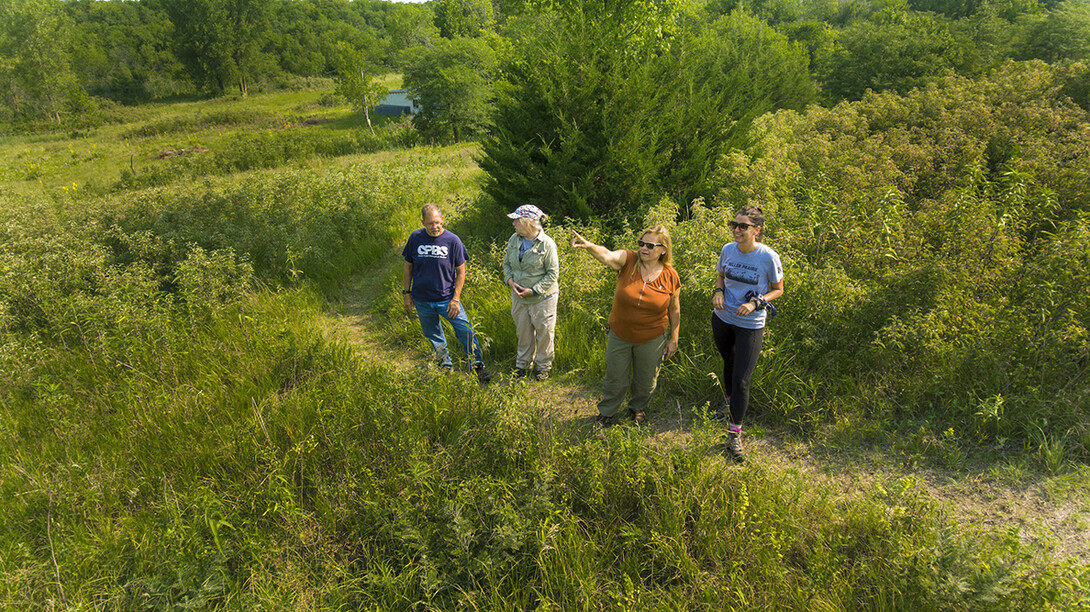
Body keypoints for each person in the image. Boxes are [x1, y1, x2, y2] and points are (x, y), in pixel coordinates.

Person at [571, 225, 681, 425]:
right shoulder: (629, 260)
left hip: (652, 338)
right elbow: (607, 255)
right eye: (641, 243)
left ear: (663, 250)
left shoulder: (670, 275)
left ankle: (637, 408)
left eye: (650, 245)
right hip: (620, 334)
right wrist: (589, 246)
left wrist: (674, 338)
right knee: (615, 377)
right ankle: (607, 412)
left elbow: (674, 309)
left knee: (646, 380)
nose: (644, 248)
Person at [711, 206, 784, 462]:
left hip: (750, 324)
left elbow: (778, 289)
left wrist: (756, 303)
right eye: (734, 224)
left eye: (743, 226)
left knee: (742, 379)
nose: (737, 230)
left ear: (757, 230)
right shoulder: (727, 249)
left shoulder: (768, 257)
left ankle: (734, 434)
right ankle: (727, 403)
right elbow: (721, 274)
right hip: (722, 318)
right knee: (728, 363)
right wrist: (718, 291)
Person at [402, 203, 492, 383]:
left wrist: (456, 299)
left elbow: (461, 272)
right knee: (433, 334)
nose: (435, 227)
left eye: (437, 222)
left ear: (442, 219)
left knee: (465, 331)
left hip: (447, 300)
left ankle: (477, 366)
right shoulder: (415, 238)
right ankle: (445, 364)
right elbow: (408, 266)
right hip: (422, 300)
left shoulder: (453, 241)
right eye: (430, 224)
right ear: (422, 222)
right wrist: (406, 293)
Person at [503, 204, 560, 380]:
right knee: (523, 332)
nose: (513, 224)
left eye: (516, 221)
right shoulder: (514, 239)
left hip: (543, 298)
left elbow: (553, 274)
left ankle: (543, 368)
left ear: (528, 223)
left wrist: (533, 290)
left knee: (544, 333)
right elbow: (506, 264)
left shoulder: (547, 244)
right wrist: (510, 281)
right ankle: (522, 365)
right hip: (519, 296)